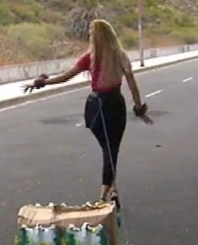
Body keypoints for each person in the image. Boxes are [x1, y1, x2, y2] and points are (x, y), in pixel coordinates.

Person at [23, 19, 153, 206]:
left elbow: (65, 77)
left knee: (107, 150)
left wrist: (41, 83)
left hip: (94, 107)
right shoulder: (120, 56)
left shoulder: (90, 58)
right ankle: (102, 198)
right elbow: (131, 81)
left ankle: (112, 191)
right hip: (114, 105)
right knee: (111, 150)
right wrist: (139, 106)